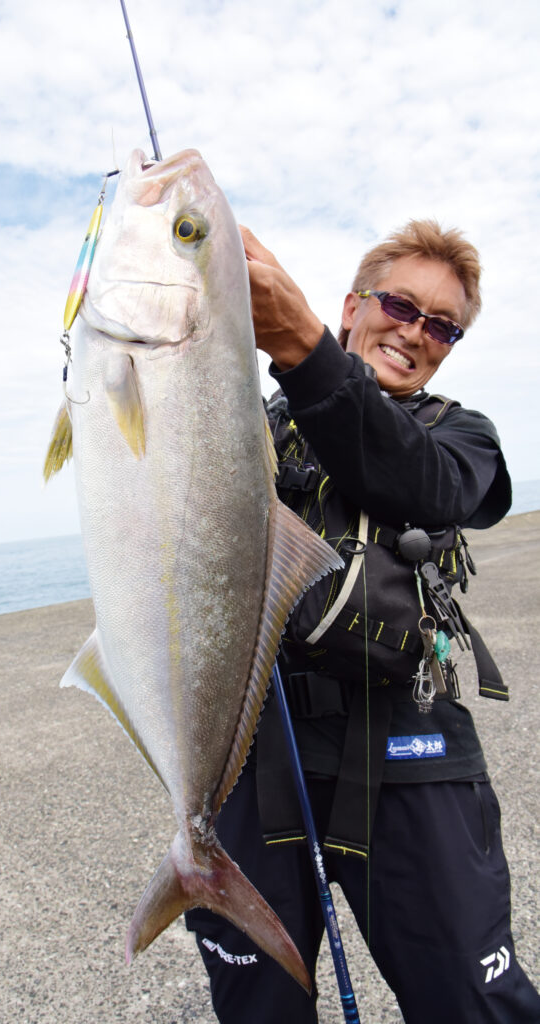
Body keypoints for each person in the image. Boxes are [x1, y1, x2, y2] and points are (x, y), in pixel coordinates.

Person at [185, 220, 540, 1023]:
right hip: (254, 755)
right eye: (400, 305)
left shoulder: (459, 437)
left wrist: (306, 350)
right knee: (257, 1007)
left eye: (442, 326)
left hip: (411, 751)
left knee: (473, 1003)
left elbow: (423, 485)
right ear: (353, 306)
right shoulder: (252, 427)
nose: (416, 333)